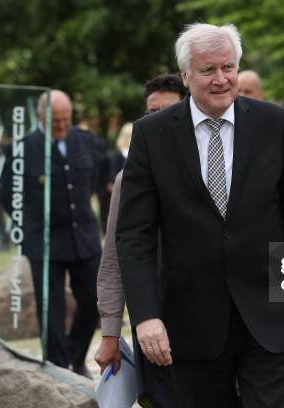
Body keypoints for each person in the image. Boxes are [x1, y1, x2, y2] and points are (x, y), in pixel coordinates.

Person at [115, 23, 284, 407]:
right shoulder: (152, 135)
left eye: (228, 67)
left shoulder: (273, 123)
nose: (221, 79)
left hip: (270, 316)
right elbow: (135, 237)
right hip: (190, 326)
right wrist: (145, 316)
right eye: (207, 70)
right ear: (185, 76)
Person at [94, 73, 185, 395]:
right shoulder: (127, 180)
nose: (156, 120)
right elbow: (113, 261)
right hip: (152, 323)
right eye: (150, 113)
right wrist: (109, 335)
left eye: (167, 111)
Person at [0, 89, 100, 377]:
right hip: (44, 242)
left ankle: (76, 356)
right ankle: (59, 371)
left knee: (96, 300)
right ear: (40, 117)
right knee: (51, 311)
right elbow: (9, 194)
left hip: (84, 237)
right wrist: (29, 226)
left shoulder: (85, 141)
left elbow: (90, 182)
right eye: (55, 120)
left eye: (65, 119)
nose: (61, 126)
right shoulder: (22, 148)